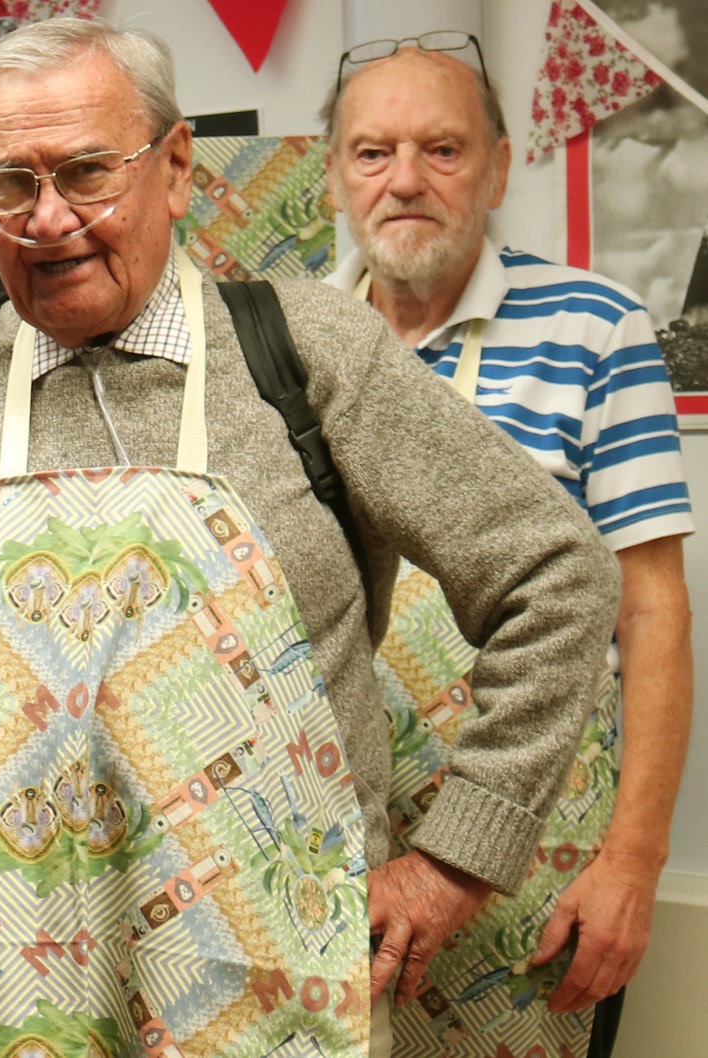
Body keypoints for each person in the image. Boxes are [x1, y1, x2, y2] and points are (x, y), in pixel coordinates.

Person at [0, 19, 621, 1058]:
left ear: (172, 167)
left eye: (85, 173)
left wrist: (453, 861)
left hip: (278, 993)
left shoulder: (302, 353)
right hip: (2, 989)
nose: (47, 219)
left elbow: (557, 573)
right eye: (11, 185)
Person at [323, 36, 693, 1058]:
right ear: (331, 176)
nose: (404, 180)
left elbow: (651, 607)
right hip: (335, 842)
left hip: (538, 848)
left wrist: (632, 860)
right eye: (371, 152)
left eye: (441, 150)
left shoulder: (594, 327)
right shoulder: (281, 337)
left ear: (493, 167)